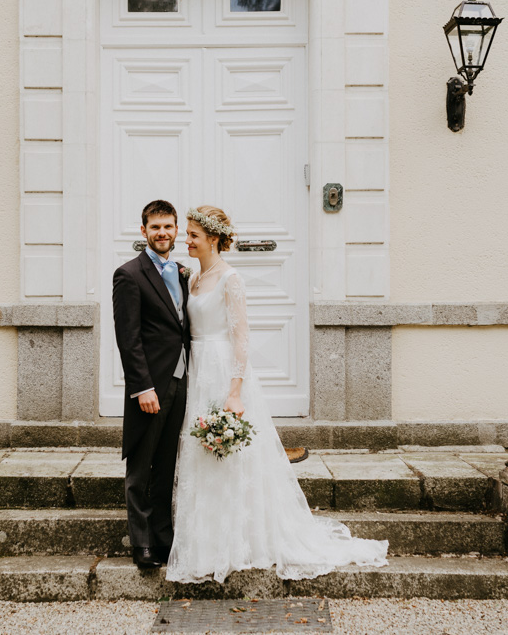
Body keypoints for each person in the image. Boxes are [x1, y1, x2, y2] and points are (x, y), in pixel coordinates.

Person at [166, 205, 389, 583]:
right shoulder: (193, 279)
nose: (185, 240)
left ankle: (241, 540)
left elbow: (242, 338)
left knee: (232, 457)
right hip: (198, 370)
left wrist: (234, 392)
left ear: (214, 239)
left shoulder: (230, 279)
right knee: (202, 456)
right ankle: (207, 541)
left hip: (223, 371)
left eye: (193, 235)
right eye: (186, 233)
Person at [112, 200, 191, 569]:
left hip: (180, 381)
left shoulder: (182, 273)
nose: (162, 233)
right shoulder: (129, 274)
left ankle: (163, 538)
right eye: (155, 227)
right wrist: (142, 388)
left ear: (176, 231)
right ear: (143, 231)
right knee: (141, 468)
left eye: (169, 227)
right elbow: (129, 338)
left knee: (165, 465)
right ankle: (141, 543)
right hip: (150, 388)